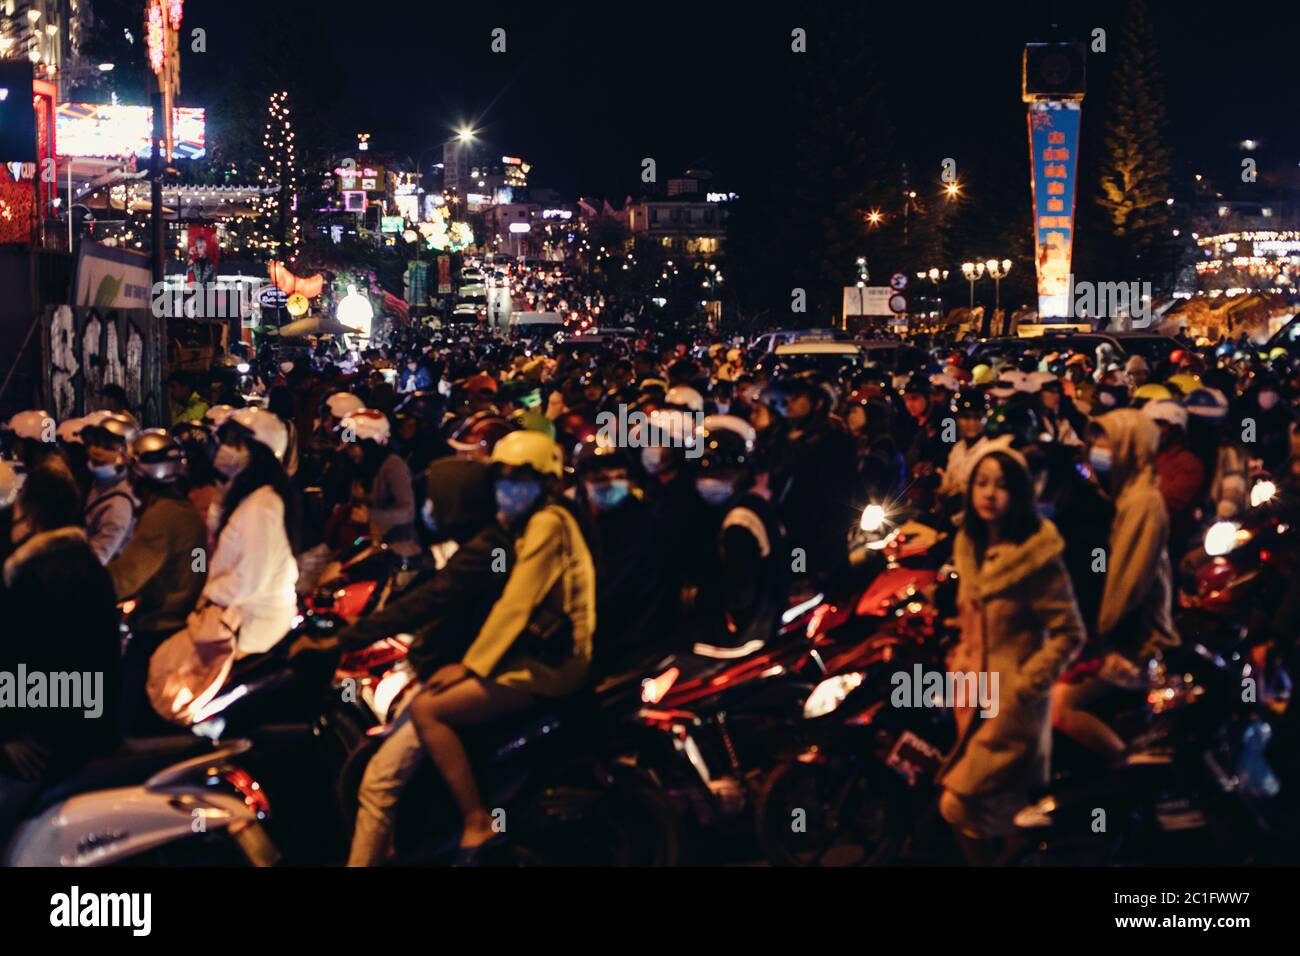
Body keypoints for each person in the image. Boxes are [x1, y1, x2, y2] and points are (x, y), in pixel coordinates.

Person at [290, 458, 512, 866]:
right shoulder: (481, 545)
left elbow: (424, 603)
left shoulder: (484, 552)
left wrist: (340, 639)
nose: (430, 509)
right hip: (452, 671)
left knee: (377, 782)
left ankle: (470, 823)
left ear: (456, 501)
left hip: (460, 680)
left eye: (437, 500)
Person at [405, 431, 596, 864]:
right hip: (537, 652)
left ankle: (476, 821)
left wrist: (471, 667)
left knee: (427, 710)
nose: (509, 487)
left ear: (544, 481)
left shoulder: (548, 522)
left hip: (554, 664)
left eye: (520, 478)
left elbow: (518, 602)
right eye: (503, 477)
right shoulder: (534, 521)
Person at [937, 446, 1087, 864]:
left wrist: (1026, 685)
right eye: (981, 483)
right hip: (972, 699)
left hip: (1012, 708)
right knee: (999, 817)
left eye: (1001, 486)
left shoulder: (1036, 559)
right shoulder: (970, 550)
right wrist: (957, 658)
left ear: (1018, 493)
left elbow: (1069, 632)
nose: (989, 494)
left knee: (958, 804)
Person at [1051, 409, 1179, 765]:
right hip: (1116, 633)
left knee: (1061, 705)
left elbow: (1127, 583)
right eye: (1096, 440)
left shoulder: (1143, 504)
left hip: (1138, 641)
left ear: (1132, 447)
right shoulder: (1120, 494)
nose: (1098, 449)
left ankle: (1127, 769)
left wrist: (1095, 640)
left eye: (1108, 441)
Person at [0, 464, 121, 835]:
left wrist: (10, 733)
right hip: (88, 729)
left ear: (31, 515)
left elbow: (21, 660)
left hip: (48, 742)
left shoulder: (35, 574)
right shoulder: (82, 563)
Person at [108, 431, 208, 734]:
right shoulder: (182, 510)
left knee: (128, 718)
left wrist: (79, 585)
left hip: (159, 628)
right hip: (178, 620)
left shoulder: (162, 518)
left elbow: (125, 577)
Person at [203, 408, 299, 657]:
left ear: (260, 452)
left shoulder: (261, 506)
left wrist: (205, 591)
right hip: (234, 618)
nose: (226, 449)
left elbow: (250, 581)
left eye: (236, 443)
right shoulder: (243, 494)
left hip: (252, 631)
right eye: (226, 440)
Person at [338, 408, 418, 556]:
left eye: (353, 446)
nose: (350, 452)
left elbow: (408, 512)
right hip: (366, 541)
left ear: (369, 444)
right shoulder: (362, 466)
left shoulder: (393, 465)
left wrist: (371, 515)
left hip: (395, 548)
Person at [81, 413, 140, 564]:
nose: (97, 451)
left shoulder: (120, 499)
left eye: (108, 447)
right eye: (94, 443)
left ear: (127, 453)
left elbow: (99, 555)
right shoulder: (100, 481)